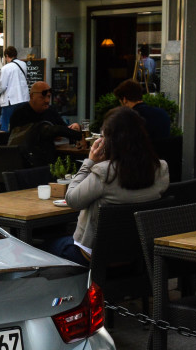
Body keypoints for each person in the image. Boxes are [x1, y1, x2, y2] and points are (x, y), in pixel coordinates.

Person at [49, 106, 169, 266]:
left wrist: (89, 162)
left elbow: (72, 200)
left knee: (42, 246)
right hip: (138, 251)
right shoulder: (160, 168)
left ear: (111, 141)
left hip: (96, 255)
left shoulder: (105, 172)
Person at [9, 81, 82, 167]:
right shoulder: (20, 114)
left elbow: (62, 128)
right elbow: (45, 132)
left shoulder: (50, 111)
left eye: (49, 96)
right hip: (28, 161)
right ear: (32, 96)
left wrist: (74, 127)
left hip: (50, 157)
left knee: (79, 166)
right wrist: (78, 136)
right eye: (42, 97)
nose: (47, 100)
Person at [0, 45, 30, 134]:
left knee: (5, 123)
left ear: (7, 56)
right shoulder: (23, 64)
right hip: (23, 98)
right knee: (21, 122)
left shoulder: (5, 68)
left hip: (10, 100)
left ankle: (4, 143)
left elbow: (2, 86)